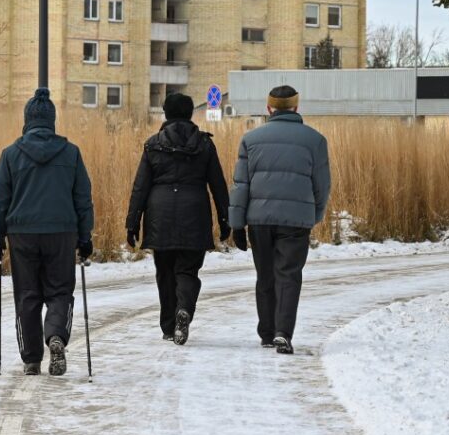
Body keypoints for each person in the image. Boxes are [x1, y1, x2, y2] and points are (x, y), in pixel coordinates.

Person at [0, 88, 95, 376]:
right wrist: (85, 237)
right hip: (62, 233)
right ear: (52, 121)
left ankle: (32, 358)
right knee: (60, 291)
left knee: (27, 295)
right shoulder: (71, 153)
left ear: (27, 120)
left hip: (22, 234)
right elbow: (83, 199)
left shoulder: (10, 155)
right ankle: (56, 336)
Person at [228, 85, 331, 355]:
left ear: (269, 109)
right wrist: (314, 214)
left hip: (259, 221)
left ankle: (266, 332)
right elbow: (322, 185)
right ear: (296, 108)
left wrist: (236, 223)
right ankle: (283, 333)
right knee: (289, 276)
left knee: (265, 275)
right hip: (296, 221)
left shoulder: (251, 140)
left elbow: (241, 185)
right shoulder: (316, 141)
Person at [125, 92, 230, 346]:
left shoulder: (153, 144)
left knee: (164, 271)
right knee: (188, 269)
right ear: (190, 113)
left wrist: (132, 223)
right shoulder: (204, 144)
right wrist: (226, 219)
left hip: (159, 213)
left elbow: (140, 187)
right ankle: (184, 309)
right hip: (194, 212)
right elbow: (218, 184)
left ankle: (169, 326)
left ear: (166, 114)